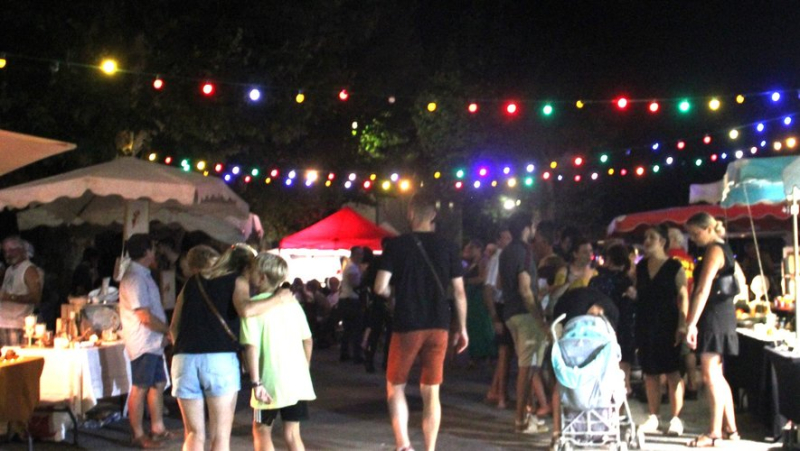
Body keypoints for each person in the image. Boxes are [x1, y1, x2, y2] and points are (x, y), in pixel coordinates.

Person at [170, 244, 293, 451]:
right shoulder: (237, 280)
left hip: (183, 359)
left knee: (193, 433)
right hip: (219, 360)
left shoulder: (193, 281)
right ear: (247, 267)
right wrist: (278, 298)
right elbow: (245, 309)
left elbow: (174, 328)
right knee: (220, 437)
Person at [374, 192, 468, 451]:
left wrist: (394, 294)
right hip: (439, 324)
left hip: (407, 323)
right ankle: (430, 448)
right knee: (431, 391)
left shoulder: (397, 245)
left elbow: (379, 286)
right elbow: (459, 292)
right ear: (434, 216)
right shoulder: (449, 246)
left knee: (395, 386)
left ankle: (404, 446)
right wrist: (463, 328)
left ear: (410, 214)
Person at [242, 253, 315, 451]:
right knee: (293, 434)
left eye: (253, 271)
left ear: (262, 277)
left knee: (261, 430)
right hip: (296, 380)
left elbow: (251, 347)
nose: (249, 274)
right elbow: (307, 340)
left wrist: (256, 382)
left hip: (268, 380)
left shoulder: (255, 307)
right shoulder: (292, 304)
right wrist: (304, 369)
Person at [685, 213, 740, 447]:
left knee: (709, 375)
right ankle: (732, 429)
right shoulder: (725, 249)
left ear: (708, 229)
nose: (693, 238)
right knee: (717, 375)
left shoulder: (714, 251)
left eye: (696, 233)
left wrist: (690, 323)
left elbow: (702, 289)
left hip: (714, 316)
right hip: (723, 314)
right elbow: (741, 282)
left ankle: (714, 432)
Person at [632, 226, 689, 436]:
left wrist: (683, 323)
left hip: (668, 322)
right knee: (650, 372)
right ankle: (654, 416)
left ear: (663, 241)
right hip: (645, 323)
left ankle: (676, 418)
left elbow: (683, 295)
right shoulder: (641, 267)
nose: (647, 240)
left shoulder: (674, 266)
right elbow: (640, 293)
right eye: (645, 237)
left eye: (651, 237)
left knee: (672, 371)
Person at [498, 211, 550, 434]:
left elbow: (501, 284)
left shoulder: (505, 252)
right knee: (528, 369)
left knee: (527, 365)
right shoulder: (525, 252)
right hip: (525, 314)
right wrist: (540, 319)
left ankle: (527, 416)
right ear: (527, 228)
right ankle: (521, 419)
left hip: (509, 312)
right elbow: (525, 289)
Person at [119, 233, 171, 448]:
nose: (155, 252)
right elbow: (145, 316)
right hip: (143, 342)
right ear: (147, 251)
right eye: (152, 248)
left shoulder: (143, 274)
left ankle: (157, 428)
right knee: (140, 387)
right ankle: (138, 434)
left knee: (157, 384)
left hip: (153, 341)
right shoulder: (134, 278)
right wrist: (168, 331)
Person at [588, 243, 635, 395]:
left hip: (600, 325)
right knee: (624, 363)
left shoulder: (596, 280)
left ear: (608, 260)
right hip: (624, 324)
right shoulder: (626, 282)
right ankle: (623, 394)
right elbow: (634, 299)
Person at [667, 227, 700, 400]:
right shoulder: (689, 260)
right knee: (688, 352)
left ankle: (666, 387)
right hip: (687, 308)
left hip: (671, 309)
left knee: (667, 347)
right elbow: (693, 285)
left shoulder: (668, 258)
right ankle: (693, 384)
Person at [483, 226, 514, 409]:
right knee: (504, 352)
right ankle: (500, 394)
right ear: (500, 240)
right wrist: (495, 316)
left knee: (506, 353)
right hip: (502, 307)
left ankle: (495, 391)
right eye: (506, 238)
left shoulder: (505, 256)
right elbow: (488, 288)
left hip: (503, 307)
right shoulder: (499, 257)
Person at [0, 236, 44, 347]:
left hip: (17, 324)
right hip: (3, 323)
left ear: (21, 250)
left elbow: (36, 297)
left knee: (14, 360)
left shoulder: (29, 270)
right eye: (5, 251)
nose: (7, 254)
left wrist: (9, 297)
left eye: (11, 250)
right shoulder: (10, 269)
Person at [463, 239, 496, 364]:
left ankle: (486, 354)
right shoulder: (471, 262)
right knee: (473, 324)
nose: (470, 250)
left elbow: (483, 278)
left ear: (478, 249)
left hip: (478, 295)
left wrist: (467, 281)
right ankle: (476, 354)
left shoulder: (483, 261)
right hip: (471, 295)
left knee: (482, 324)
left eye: (472, 248)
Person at [339, 246, 365, 363]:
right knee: (356, 329)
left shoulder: (350, 267)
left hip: (346, 300)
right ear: (354, 254)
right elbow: (355, 284)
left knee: (348, 329)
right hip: (351, 300)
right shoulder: (352, 268)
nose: (361, 256)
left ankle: (345, 353)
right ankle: (356, 355)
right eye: (359, 254)